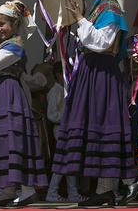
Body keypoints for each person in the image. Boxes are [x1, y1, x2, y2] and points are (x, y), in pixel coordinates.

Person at [51, 0, 138, 206]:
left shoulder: (110, 7)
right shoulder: (99, 7)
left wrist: (79, 18)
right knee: (96, 124)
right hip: (93, 71)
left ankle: (113, 186)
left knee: (102, 123)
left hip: (102, 73)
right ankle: (104, 190)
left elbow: (101, 43)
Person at [0, 0, 47, 207]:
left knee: (12, 140)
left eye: (2, 24)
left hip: (7, 94)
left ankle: (28, 190)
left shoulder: (16, 45)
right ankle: (7, 189)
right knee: (1, 140)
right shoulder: (2, 46)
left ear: (15, 24)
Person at [45, 62, 85, 202]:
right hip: (60, 129)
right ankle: (55, 192)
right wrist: (67, 118)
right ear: (58, 74)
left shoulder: (69, 90)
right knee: (64, 161)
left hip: (69, 130)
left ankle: (69, 193)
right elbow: (51, 114)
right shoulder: (55, 91)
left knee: (68, 161)